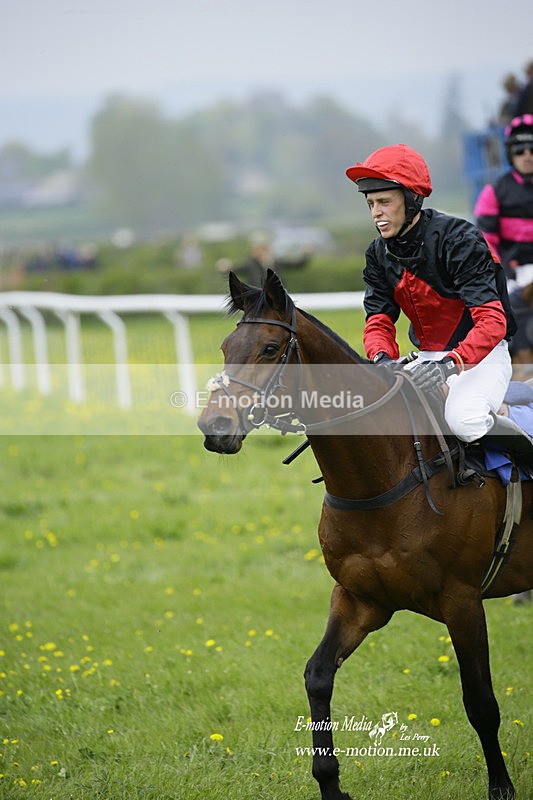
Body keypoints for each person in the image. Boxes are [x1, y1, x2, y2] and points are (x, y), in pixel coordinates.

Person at [345, 143, 533, 464]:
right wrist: (381, 358)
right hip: (427, 359)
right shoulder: (377, 253)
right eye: (371, 203)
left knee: (465, 420)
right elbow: (378, 319)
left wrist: (450, 364)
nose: (376, 212)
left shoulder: (459, 239)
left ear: (412, 199)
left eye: (385, 202)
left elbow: (492, 323)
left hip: (481, 356)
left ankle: (516, 416)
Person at [474, 115, 533, 372]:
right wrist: (501, 271)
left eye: (532, 149)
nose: (527, 155)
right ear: (511, 153)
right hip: (514, 272)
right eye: (520, 150)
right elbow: (486, 241)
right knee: (511, 308)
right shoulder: (495, 191)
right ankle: (523, 365)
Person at [218, 233, 312, 287]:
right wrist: (225, 267)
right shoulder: (250, 264)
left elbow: (297, 264)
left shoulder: (276, 261)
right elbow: (233, 270)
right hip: (258, 298)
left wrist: (306, 255)